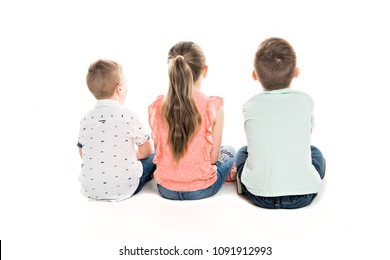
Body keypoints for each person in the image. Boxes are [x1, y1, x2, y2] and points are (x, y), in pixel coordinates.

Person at [236, 37, 326, 209]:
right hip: (304, 195)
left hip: (259, 195)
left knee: (242, 152)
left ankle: (245, 180)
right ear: (296, 72)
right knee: (315, 153)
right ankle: (307, 176)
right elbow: (304, 138)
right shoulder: (306, 101)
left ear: (255, 75)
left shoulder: (250, 105)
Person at [148, 41, 236, 200]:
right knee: (229, 151)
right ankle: (230, 175)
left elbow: (159, 153)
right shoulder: (213, 107)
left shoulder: (159, 106)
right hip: (201, 189)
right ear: (205, 70)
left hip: (165, 188)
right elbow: (213, 159)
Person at [77, 59, 155, 201]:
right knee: (153, 158)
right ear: (119, 88)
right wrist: (129, 157)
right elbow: (147, 151)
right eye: (125, 82)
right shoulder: (130, 117)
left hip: (91, 188)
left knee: (89, 162)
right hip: (126, 186)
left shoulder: (85, 119)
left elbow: (83, 153)